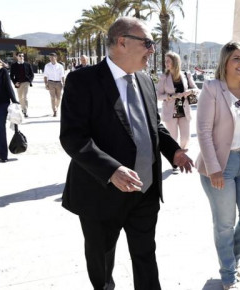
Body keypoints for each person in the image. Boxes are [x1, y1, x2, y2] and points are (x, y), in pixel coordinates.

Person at [59, 17, 194, 290]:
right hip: (101, 192)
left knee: (146, 255)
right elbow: (73, 137)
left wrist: (174, 151)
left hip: (144, 190)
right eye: (147, 43)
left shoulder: (144, 80)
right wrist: (111, 170)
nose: (152, 50)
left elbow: (152, 124)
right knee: (102, 261)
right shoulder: (83, 80)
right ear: (122, 42)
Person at [195, 41, 240, 290]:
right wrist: (213, 168)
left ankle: (230, 261)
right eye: (236, 58)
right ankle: (228, 275)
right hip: (220, 165)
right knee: (224, 223)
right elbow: (203, 131)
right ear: (225, 62)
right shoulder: (213, 88)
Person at [155, 51, 199, 151]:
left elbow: (197, 90)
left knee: (185, 139)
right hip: (171, 112)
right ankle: (176, 162)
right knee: (173, 139)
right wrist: (172, 96)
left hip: (184, 111)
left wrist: (190, 91)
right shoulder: (164, 77)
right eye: (165, 61)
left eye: (168, 61)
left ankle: (183, 157)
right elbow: (158, 95)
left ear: (175, 62)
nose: (166, 64)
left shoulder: (186, 75)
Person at [9, 52, 35, 118]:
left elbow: (32, 74)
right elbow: (11, 76)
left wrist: (29, 81)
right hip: (18, 83)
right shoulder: (13, 65)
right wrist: (15, 82)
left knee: (25, 97)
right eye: (20, 56)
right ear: (17, 57)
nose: (21, 57)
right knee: (20, 98)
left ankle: (25, 111)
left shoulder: (27, 64)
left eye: (22, 56)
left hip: (26, 82)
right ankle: (22, 108)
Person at [43, 52, 65, 117]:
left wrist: (64, 83)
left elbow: (62, 76)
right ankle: (54, 110)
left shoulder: (60, 66)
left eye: (52, 57)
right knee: (52, 97)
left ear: (56, 57)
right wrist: (46, 84)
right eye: (50, 58)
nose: (51, 59)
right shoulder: (47, 66)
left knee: (59, 98)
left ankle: (57, 107)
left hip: (58, 83)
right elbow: (45, 76)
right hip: (50, 83)